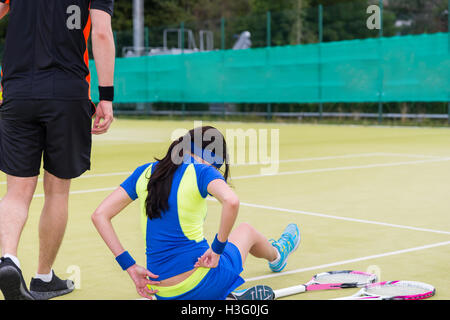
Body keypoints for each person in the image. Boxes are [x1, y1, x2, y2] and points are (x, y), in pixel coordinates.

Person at [92, 126, 300, 300]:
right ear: (210, 159)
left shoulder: (144, 172)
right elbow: (231, 201)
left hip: (162, 292)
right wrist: (217, 250)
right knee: (246, 231)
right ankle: (277, 255)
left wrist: (129, 265)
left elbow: (99, 215)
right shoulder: (201, 171)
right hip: (203, 282)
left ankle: (225, 295)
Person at [0, 0, 115, 300]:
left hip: (18, 90)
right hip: (68, 91)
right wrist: (107, 97)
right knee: (57, 191)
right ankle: (43, 277)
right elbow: (100, 33)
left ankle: (8, 258)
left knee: (16, 192)